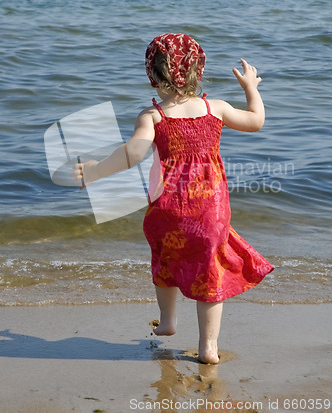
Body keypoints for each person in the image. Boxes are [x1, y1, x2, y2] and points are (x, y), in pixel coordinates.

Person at [73, 33, 274, 365]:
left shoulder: (153, 117)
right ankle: (208, 347)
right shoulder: (217, 108)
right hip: (211, 211)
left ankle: (168, 321)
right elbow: (256, 121)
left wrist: (95, 170)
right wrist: (250, 87)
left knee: (165, 261)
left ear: (153, 74)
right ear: (199, 70)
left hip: (168, 209)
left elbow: (133, 153)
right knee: (211, 272)